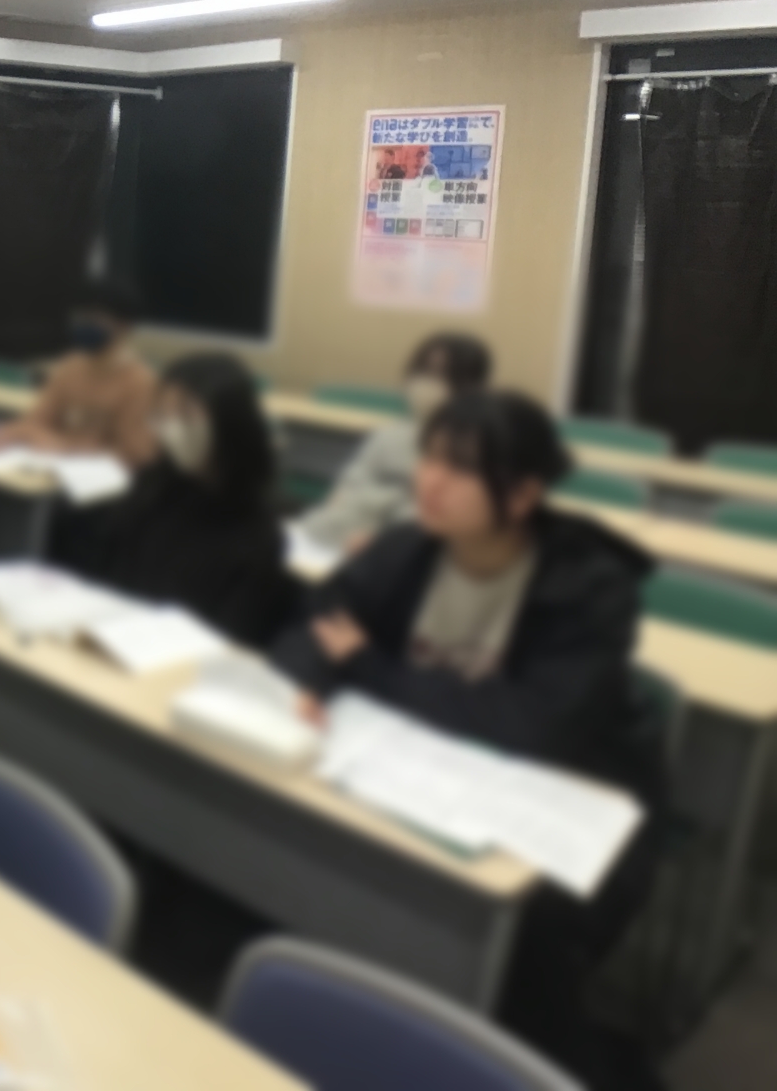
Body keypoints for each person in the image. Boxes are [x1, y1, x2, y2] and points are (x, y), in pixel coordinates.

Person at [271, 390, 660, 1088]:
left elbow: (533, 727)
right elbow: (317, 619)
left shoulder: (591, 586)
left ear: (523, 495)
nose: (430, 480)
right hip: (427, 772)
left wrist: (368, 669)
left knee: (517, 943)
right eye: (429, 457)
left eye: (461, 468)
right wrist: (314, 680)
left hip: (567, 804)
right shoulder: (407, 547)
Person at [72, 352, 293, 645]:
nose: (172, 427)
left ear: (228, 420)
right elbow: (105, 580)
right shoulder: (151, 488)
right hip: (110, 640)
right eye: (162, 415)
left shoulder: (257, 533)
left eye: (186, 414)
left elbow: (229, 640)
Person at [296, 331, 492, 553]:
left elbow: (437, 513)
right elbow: (353, 480)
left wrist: (381, 535)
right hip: (348, 533)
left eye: (440, 375)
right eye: (422, 371)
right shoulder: (390, 434)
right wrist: (346, 505)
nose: (426, 383)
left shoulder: (472, 447)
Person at [0, 280, 156, 468]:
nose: (83, 323)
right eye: (80, 316)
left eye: (93, 318)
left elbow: (135, 454)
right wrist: (8, 433)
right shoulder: (70, 366)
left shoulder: (141, 382)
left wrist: (62, 446)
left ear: (124, 326)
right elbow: (38, 420)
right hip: (54, 465)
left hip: (103, 476)